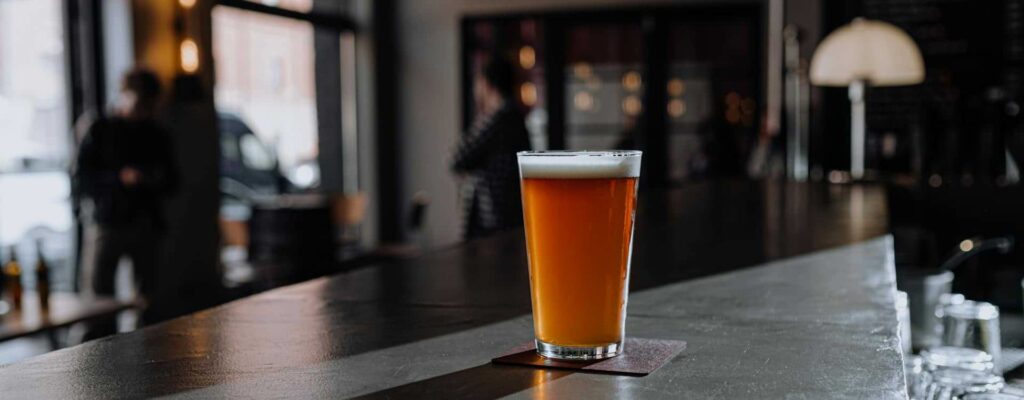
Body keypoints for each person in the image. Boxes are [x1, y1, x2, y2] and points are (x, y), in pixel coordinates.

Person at [73, 68, 178, 339]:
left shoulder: (156, 134)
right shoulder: (99, 129)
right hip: (108, 222)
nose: (144, 110)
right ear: (124, 95)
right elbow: (82, 180)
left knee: (149, 302)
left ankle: (145, 358)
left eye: (149, 105)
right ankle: (97, 359)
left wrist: (150, 179)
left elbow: (174, 181)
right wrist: (119, 180)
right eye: (141, 103)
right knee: (98, 302)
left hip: (146, 223)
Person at [451, 56, 532, 240]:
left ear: (487, 83)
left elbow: (456, 159)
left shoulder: (497, 118)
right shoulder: (516, 117)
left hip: (494, 219)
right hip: (513, 215)